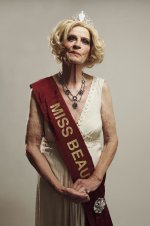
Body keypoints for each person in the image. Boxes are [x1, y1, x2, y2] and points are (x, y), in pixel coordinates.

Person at [25, 11, 118, 226]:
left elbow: (112, 139)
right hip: (54, 185)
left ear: (90, 51)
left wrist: (95, 179)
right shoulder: (41, 91)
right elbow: (31, 146)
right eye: (71, 38)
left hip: (88, 186)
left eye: (84, 41)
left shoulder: (101, 87)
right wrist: (59, 187)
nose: (77, 44)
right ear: (61, 44)